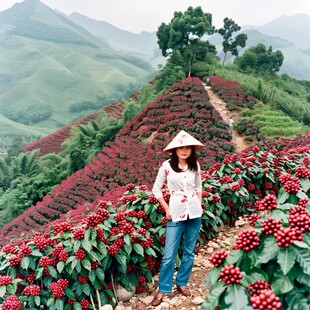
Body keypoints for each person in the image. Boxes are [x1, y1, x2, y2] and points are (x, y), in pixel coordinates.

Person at [151, 130, 204, 307]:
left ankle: (182, 282)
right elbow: (156, 189)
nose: (184, 150)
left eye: (188, 147)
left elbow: (198, 186)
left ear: (191, 150)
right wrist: (166, 208)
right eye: (181, 147)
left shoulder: (195, 165)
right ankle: (163, 288)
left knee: (189, 251)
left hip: (194, 213)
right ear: (175, 149)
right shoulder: (166, 166)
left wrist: (199, 204)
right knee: (169, 255)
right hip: (175, 213)